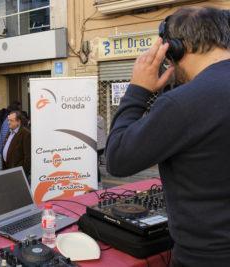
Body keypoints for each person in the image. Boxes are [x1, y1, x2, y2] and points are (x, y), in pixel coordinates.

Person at [105, 7, 230, 267]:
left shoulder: (183, 103)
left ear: (174, 49)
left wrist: (138, 89)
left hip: (206, 257)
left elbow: (117, 158)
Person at [2, 111, 31, 177]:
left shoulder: (25, 134)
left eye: (11, 120)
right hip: (7, 168)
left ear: (18, 121)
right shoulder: (10, 131)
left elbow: (27, 157)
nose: (8, 122)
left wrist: (23, 173)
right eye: (8, 120)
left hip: (17, 172)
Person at [97, 115, 107, 184]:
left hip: (96, 146)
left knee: (94, 165)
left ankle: (98, 180)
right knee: (98, 162)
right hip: (102, 146)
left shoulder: (88, 121)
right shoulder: (100, 119)